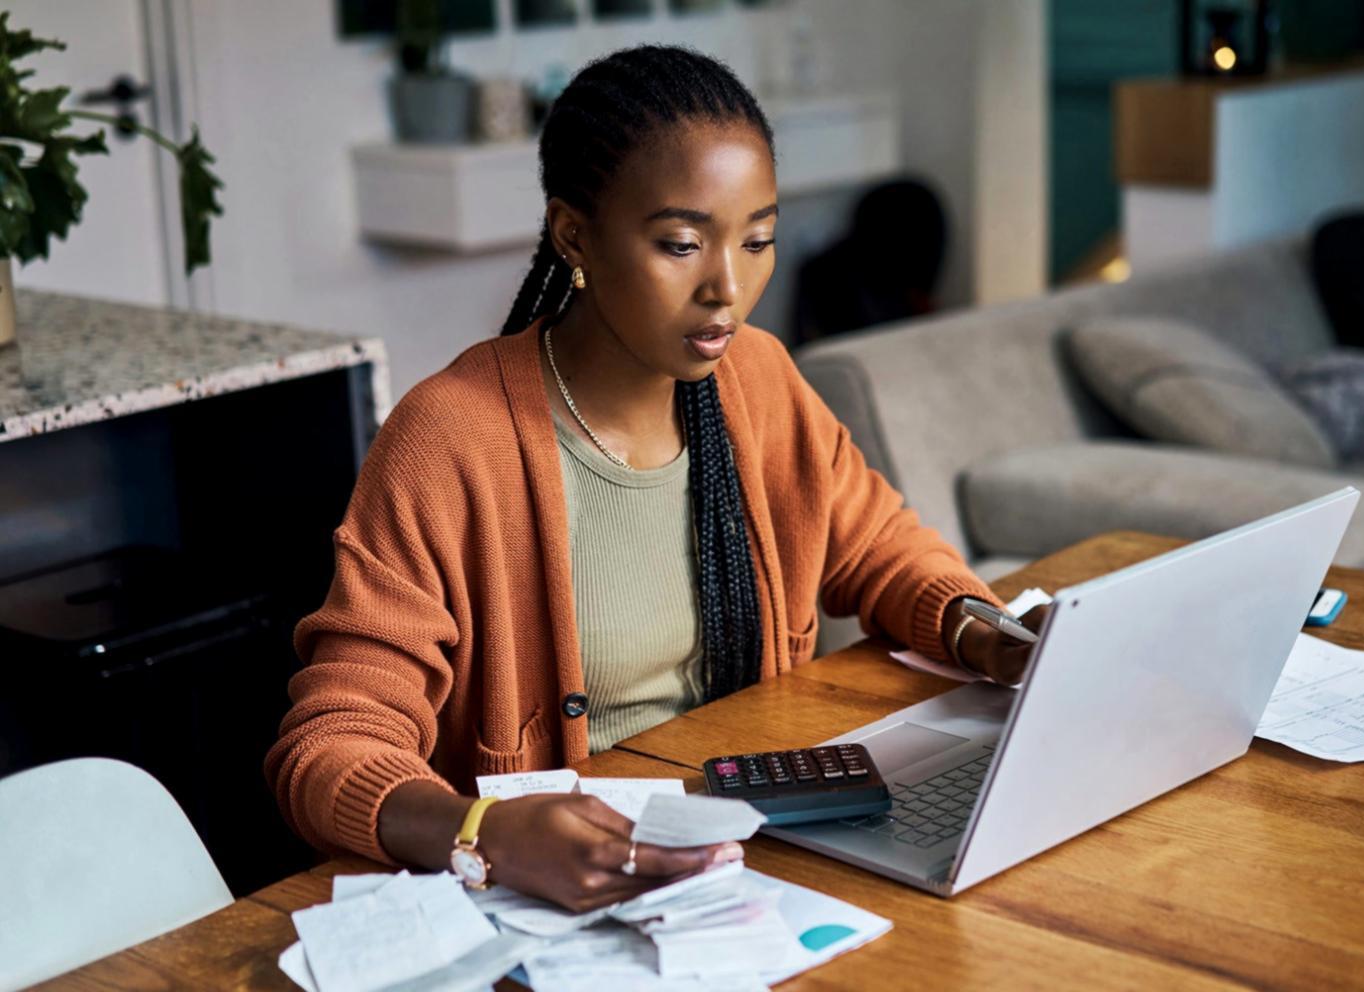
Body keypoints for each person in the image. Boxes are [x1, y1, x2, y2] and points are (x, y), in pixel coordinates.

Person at [264, 45, 1045, 913]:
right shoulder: (449, 439)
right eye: (681, 243)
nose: (728, 289)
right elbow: (330, 745)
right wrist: (478, 829)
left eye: (758, 241)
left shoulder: (758, 378)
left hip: (750, 859)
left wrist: (987, 632)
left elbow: (881, 547)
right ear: (573, 235)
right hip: (558, 896)